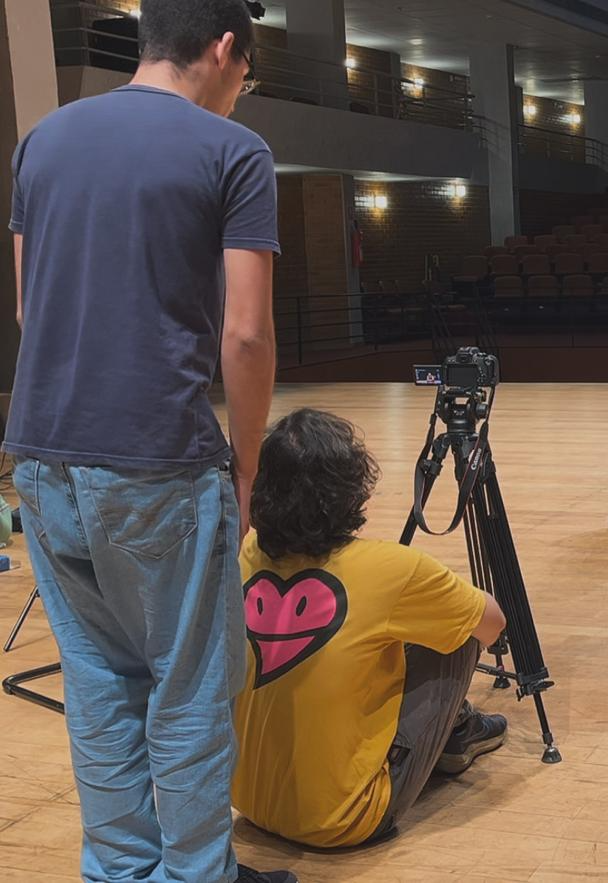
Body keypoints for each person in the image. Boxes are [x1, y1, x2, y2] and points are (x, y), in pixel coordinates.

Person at [6, 1, 288, 880]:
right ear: (224, 48)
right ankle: (198, 872)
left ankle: (121, 872)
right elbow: (244, 336)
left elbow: (27, 305)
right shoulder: (233, 152)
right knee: (188, 689)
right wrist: (245, 465)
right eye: (246, 73)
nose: (242, 89)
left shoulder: (42, 141)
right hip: (159, 457)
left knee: (97, 688)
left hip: (41, 457)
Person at [232, 409, 509, 849]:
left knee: (394, 626)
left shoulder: (245, 550)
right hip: (343, 821)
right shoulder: (394, 569)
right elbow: (493, 626)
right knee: (459, 628)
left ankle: (455, 731)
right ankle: (458, 734)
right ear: (350, 489)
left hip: (247, 801)